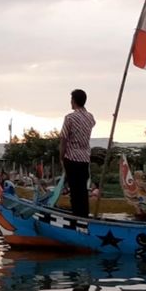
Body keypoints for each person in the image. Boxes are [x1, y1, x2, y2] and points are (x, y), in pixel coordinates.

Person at [59, 89, 95, 217]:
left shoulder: (70, 118)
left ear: (73, 101)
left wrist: (61, 157)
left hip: (72, 158)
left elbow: (63, 139)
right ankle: (84, 216)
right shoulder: (90, 117)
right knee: (82, 191)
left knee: (74, 191)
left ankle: (76, 218)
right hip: (85, 158)